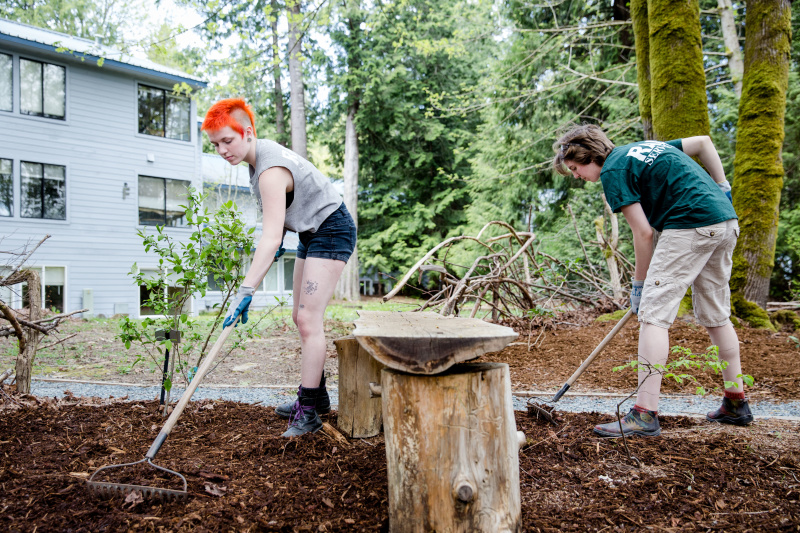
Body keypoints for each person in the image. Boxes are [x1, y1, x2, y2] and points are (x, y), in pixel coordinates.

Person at [552, 124, 753, 438]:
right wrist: (722, 184)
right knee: (716, 316)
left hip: (690, 224)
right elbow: (702, 142)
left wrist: (639, 286)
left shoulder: (612, 171)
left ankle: (644, 414)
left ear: (591, 157)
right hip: (724, 220)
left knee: (652, 317)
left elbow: (643, 234)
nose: (576, 176)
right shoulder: (644, 148)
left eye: (576, 168)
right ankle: (736, 402)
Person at [202, 98, 356, 437]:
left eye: (227, 140)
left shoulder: (268, 170)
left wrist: (246, 291)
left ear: (248, 132)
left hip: (331, 229)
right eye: (215, 145)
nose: (222, 150)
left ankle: (309, 413)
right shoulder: (256, 160)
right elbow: (284, 217)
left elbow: (270, 237)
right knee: (297, 317)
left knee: (307, 320)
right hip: (310, 231)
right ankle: (317, 397)